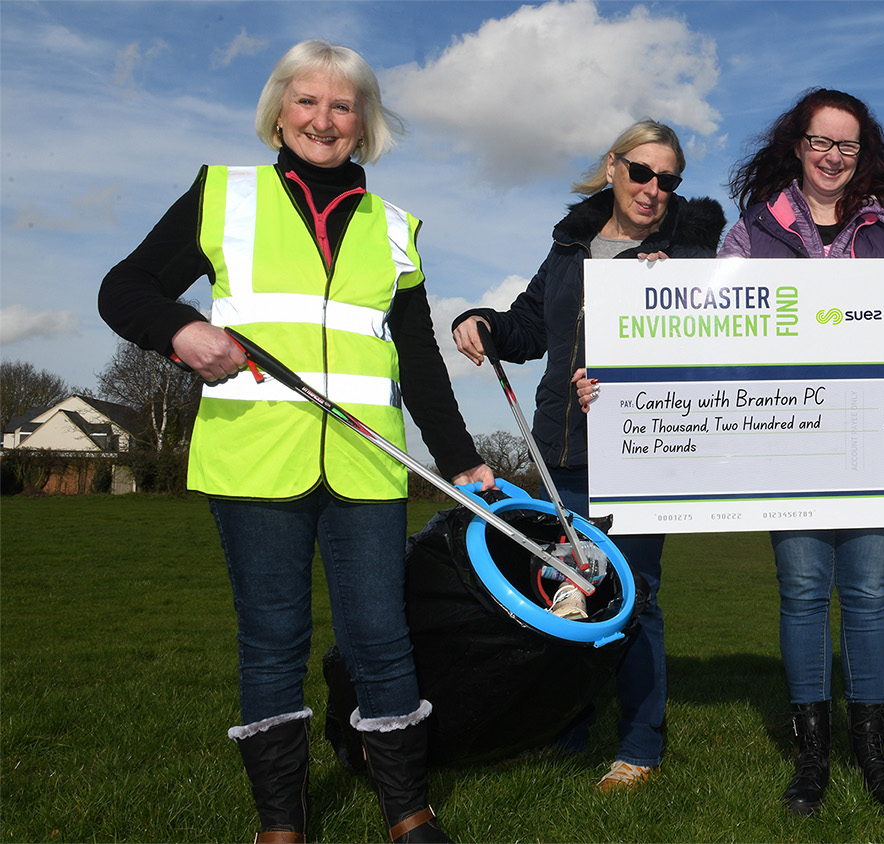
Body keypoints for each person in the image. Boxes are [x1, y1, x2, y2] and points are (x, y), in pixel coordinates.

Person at [98, 40, 494, 843]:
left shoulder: (395, 229)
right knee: (272, 641)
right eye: (307, 101)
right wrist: (181, 331)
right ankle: (282, 825)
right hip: (253, 459)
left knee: (381, 638)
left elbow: (419, 363)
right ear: (279, 110)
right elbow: (123, 288)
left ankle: (409, 815)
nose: (324, 119)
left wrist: (464, 463)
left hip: (366, 467)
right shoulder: (223, 194)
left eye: (342, 106)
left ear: (364, 123)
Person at [451, 119, 725, 793]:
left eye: (668, 180)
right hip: (561, 452)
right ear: (613, 167)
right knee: (562, 592)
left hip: (642, 454)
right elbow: (525, 329)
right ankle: (563, 734)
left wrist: (682, 283)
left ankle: (639, 748)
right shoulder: (571, 245)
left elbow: (710, 349)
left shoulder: (687, 251)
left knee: (633, 601)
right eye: (641, 172)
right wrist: (483, 321)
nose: (653, 189)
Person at [718, 88, 884, 819]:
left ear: (863, 153)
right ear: (796, 144)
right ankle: (813, 753)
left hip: (874, 441)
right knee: (803, 592)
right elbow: (717, 337)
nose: (833, 158)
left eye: (848, 146)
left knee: (867, 594)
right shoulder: (751, 232)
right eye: (820, 142)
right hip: (790, 442)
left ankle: (871, 748)